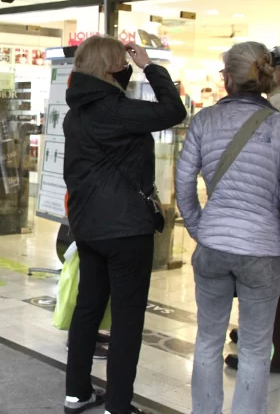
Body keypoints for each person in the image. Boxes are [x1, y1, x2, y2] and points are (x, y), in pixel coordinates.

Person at [62, 36, 186, 414]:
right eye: (124, 62)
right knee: (128, 318)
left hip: (87, 226)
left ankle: (77, 392)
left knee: (88, 307)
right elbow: (173, 111)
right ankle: (118, 405)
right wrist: (149, 66)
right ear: (113, 67)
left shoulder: (75, 112)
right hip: (126, 229)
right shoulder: (116, 109)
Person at [176, 42, 280, 414]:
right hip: (263, 249)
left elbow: (184, 182)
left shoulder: (204, 121)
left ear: (227, 79)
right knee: (254, 349)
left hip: (214, 244)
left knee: (207, 340)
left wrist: (199, 227)